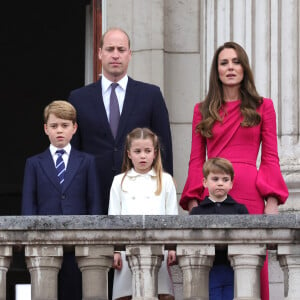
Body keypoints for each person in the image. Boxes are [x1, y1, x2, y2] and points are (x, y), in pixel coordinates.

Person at [180, 41, 289, 300]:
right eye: (224, 62)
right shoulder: (202, 109)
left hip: (250, 195)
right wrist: (195, 202)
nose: (230, 67)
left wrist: (271, 202)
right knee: (214, 271)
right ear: (216, 70)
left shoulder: (264, 106)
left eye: (236, 61)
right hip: (213, 195)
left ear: (244, 68)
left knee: (251, 268)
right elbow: (196, 160)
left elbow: (271, 157)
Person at [68, 27, 173, 215]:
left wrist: (165, 195)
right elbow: (74, 154)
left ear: (130, 54)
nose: (115, 55)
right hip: (93, 196)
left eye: (121, 49)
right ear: (99, 53)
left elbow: (164, 149)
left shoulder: (151, 95)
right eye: (110, 49)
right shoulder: (78, 98)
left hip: (141, 198)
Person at [22, 100, 101, 300]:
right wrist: (29, 242)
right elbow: (29, 205)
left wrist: (95, 241)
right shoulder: (34, 163)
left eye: (65, 126)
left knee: (75, 292)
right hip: (44, 243)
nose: (59, 131)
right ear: (45, 129)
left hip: (78, 245)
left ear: (74, 128)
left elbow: (94, 203)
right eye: (54, 126)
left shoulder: (87, 161)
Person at [108, 127, 178, 300]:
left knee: (160, 292)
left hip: (158, 247)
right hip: (126, 249)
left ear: (155, 153)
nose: (143, 156)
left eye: (147, 151)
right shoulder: (119, 181)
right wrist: (115, 250)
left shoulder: (166, 180)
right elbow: (113, 217)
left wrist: (171, 247)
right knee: (126, 293)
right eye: (137, 151)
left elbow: (172, 216)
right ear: (129, 153)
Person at [190, 157, 249, 299]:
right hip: (208, 269)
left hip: (234, 268)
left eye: (225, 179)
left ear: (231, 184)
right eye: (215, 179)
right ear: (205, 182)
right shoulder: (197, 212)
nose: (220, 183)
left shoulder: (239, 210)